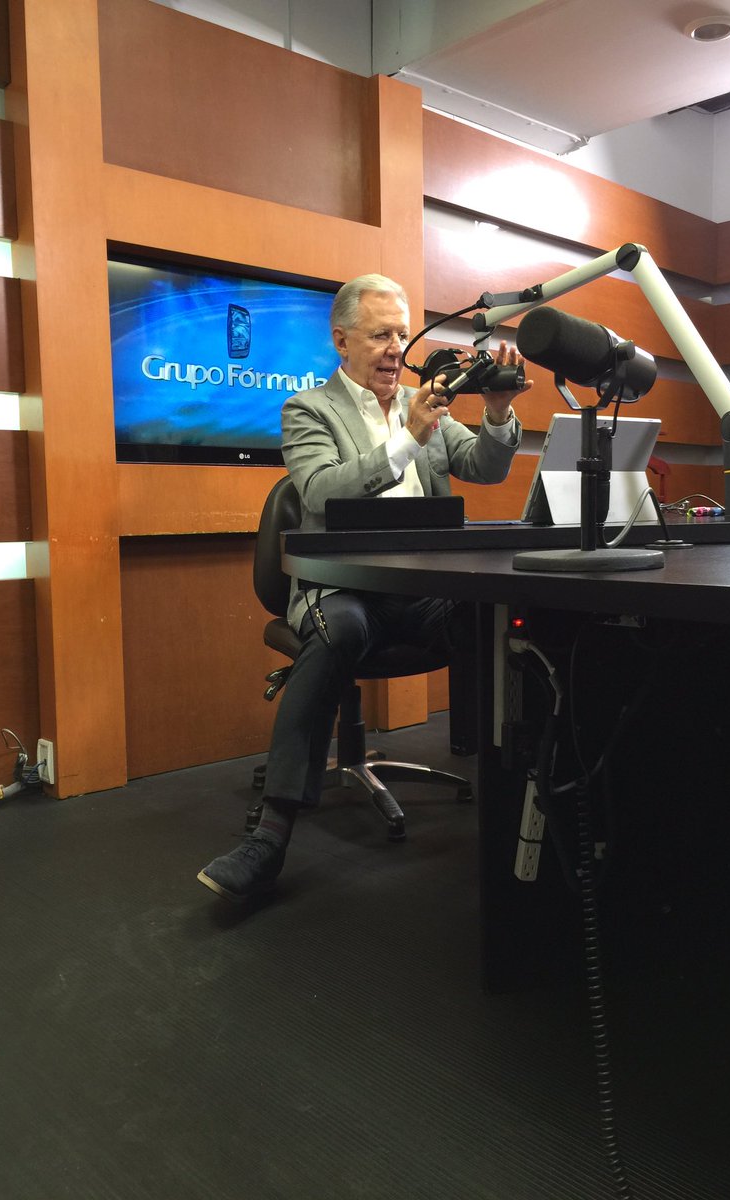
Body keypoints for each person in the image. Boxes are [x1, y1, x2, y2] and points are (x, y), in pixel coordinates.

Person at [197, 272, 531, 902]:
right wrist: (409, 439)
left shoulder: (421, 402)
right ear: (341, 340)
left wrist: (496, 411)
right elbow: (320, 490)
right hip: (341, 588)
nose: (395, 350)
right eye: (380, 336)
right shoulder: (309, 409)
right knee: (341, 631)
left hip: (421, 590)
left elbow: (484, 467)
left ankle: (523, 801)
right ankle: (270, 835)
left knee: (495, 618)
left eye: (401, 335)